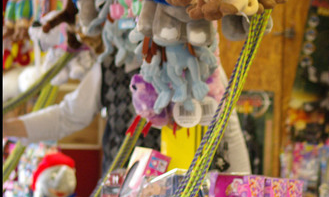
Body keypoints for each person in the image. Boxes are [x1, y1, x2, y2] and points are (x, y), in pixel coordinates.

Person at [3, 49, 252, 176]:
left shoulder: (200, 60)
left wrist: (243, 195)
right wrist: (9, 128)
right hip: (121, 194)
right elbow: (68, 115)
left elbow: (227, 125)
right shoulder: (111, 63)